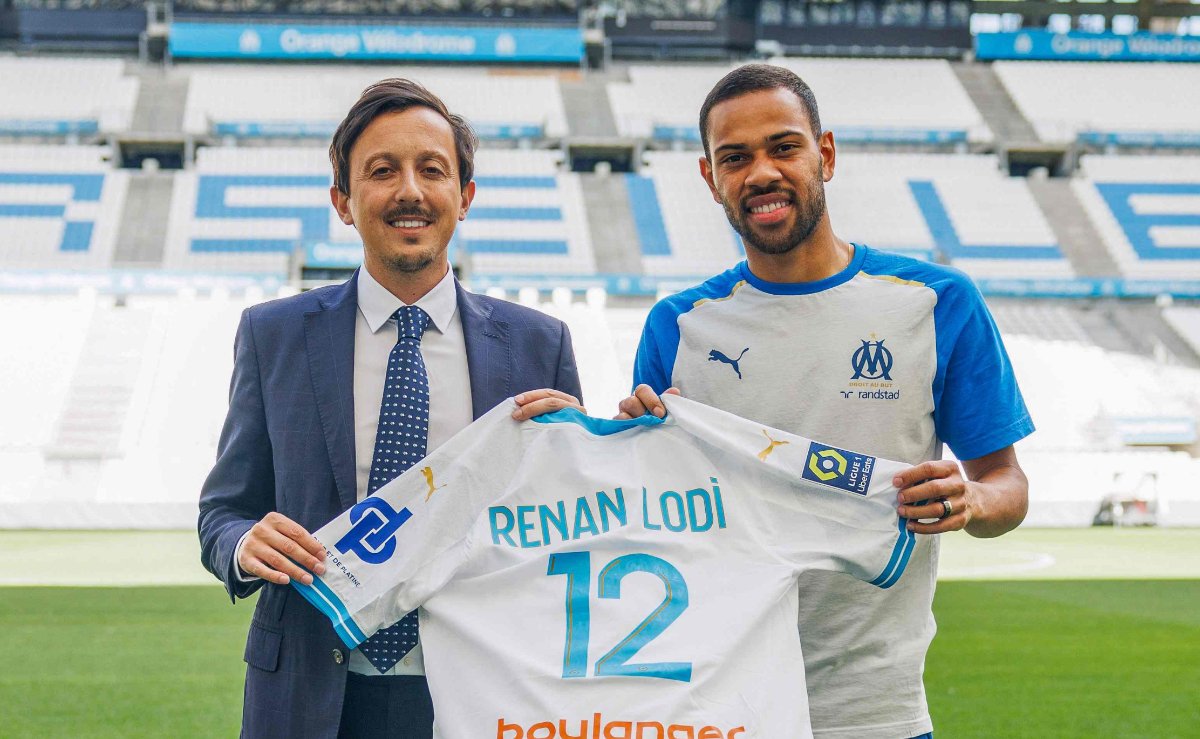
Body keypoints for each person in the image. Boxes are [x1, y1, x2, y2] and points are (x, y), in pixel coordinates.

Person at [617, 64, 1033, 739]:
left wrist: (972, 500)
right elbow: (654, 516)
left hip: (876, 714)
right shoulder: (678, 325)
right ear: (709, 177)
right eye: (735, 157)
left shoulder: (937, 303)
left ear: (825, 154)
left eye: (784, 147)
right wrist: (600, 441)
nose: (761, 172)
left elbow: (1005, 481)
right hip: (720, 709)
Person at [198, 78, 584, 739]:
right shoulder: (274, 335)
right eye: (382, 171)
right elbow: (222, 511)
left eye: (431, 169)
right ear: (343, 202)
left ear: (464, 196)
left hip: (480, 693)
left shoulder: (538, 345)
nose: (409, 189)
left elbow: (573, 529)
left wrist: (593, 448)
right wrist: (242, 543)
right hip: (309, 698)